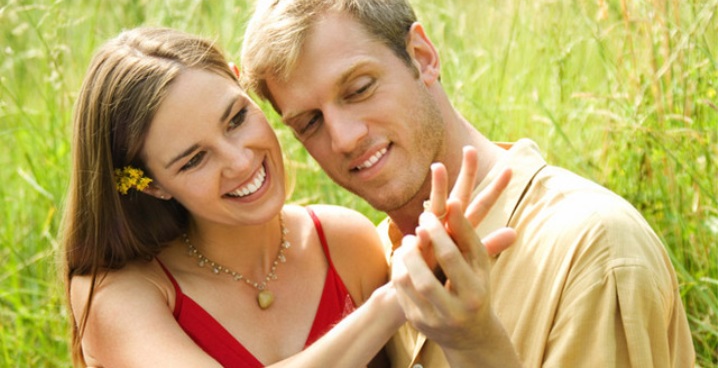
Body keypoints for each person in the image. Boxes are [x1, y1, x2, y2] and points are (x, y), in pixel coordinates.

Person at [239, 0, 696, 366]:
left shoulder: (592, 247)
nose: (344, 137)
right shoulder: (371, 265)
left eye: (359, 88)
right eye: (309, 122)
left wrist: (476, 347)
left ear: (422, 56)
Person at [62, 26, 516, 368]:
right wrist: (395, 301)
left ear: (244, 87)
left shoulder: (346, 242)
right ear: (151, 183)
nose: (241, 163)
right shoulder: (120, 295)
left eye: (236, 118)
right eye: (194, 159)